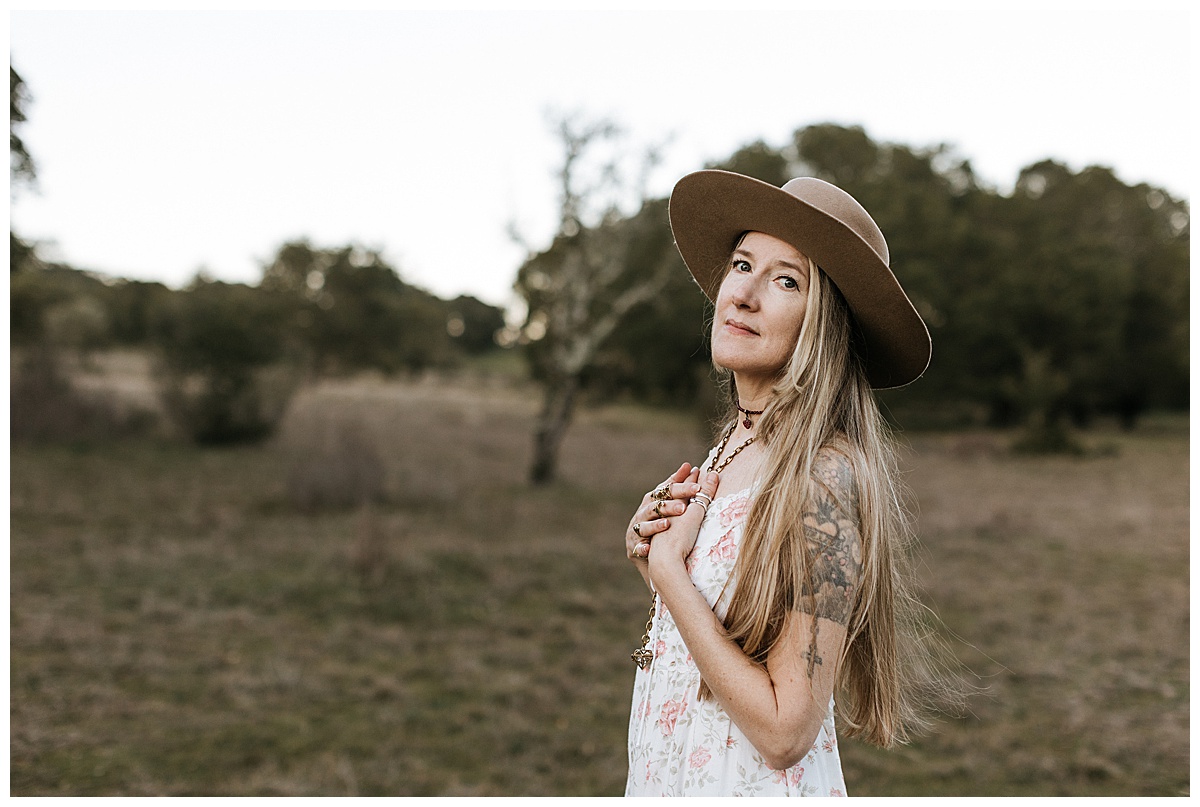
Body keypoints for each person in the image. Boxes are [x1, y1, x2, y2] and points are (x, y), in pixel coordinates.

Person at [623, 170, 963, 796]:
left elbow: (786, 732)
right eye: (741, 264)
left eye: (786, 280)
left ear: (825, 322)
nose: (743, 294)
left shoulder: (824, 476)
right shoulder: (734, 443)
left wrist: (673, 575)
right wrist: (654, 557)